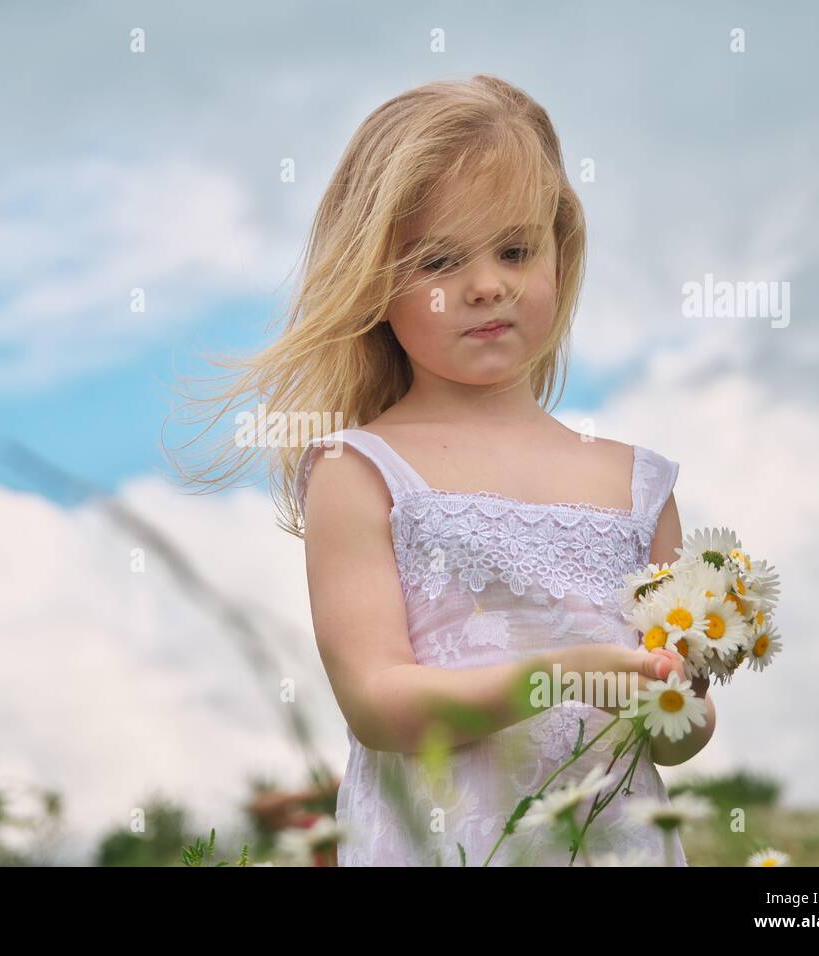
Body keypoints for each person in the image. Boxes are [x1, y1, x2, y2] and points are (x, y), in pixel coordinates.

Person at [175, 75, 716, 865]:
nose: (488, 283)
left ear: (560, 253)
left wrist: (677, 701)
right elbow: (377, 702)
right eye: (440, 259)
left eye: (516, 249)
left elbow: (676, 741)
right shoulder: (363, 473)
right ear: (375, 284)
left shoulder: (638, 485)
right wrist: (559, 676)